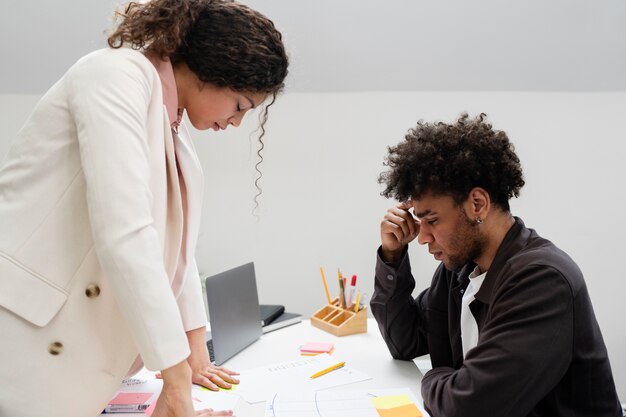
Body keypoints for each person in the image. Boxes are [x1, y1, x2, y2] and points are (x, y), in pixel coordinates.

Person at [0, 0, 288, 416]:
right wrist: (174, 383)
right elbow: (125, 234)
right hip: (27, 330)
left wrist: (194, 355)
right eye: (241, 105)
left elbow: (179, 254)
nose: (237, 122)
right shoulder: (116, 76)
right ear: (214, 71)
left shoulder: (174, 130)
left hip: (74, 343)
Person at [372, 113, 622, 417]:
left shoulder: (542, 281)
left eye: (432, 220)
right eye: (419, 221)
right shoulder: (460, 270)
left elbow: (467, 406)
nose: (422, 237)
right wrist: (392, 255)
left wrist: (434, 376)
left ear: (477, 204)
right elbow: (405, 342)